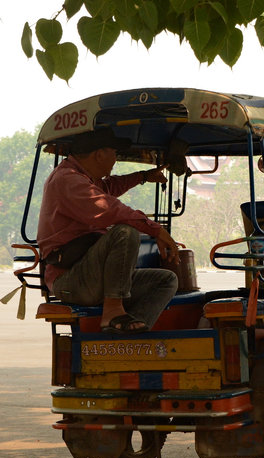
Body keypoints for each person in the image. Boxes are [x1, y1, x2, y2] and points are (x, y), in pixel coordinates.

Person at [37, 128, 180, 334]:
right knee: (125, 232)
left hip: (93, 277)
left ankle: (127, 334)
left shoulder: (84, 178)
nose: (115, 160)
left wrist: (143, 176)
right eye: (115, 153)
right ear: (100, 154)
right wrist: (157, 230)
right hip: (71, 281)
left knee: (167, 281)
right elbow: (111, 209)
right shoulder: (67, 179)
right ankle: (113, 311)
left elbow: (109, 187)